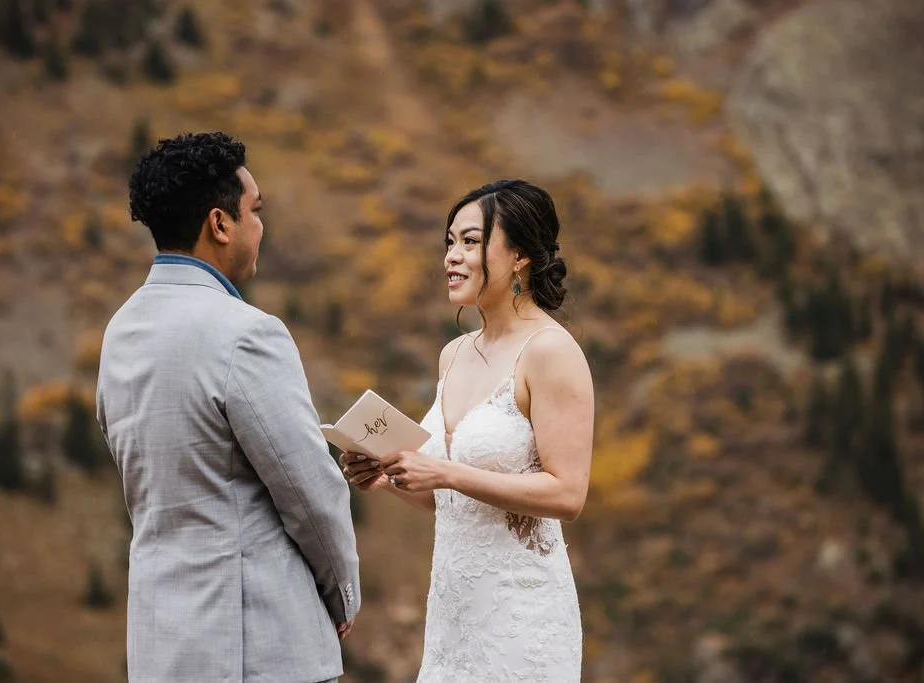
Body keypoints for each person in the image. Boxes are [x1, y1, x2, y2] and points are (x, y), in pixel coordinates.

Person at [96, 132, 360, 683]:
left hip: (161, 645)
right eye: (253, 211)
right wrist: (343, 596)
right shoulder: (246, 334)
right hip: (259, 645)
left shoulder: (120, 332)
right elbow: (310, 491)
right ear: (220, 224)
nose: (260, 226)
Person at [341, 179, 592, 681]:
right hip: (453, 617)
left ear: (519, 253)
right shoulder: (453, 354)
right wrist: (389, 478)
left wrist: (446, 473)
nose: (452, 257)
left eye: (471, 242)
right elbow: (449, 501)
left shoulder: (549, 351)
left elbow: (568, 494)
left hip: (521, 617)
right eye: (449, 242)